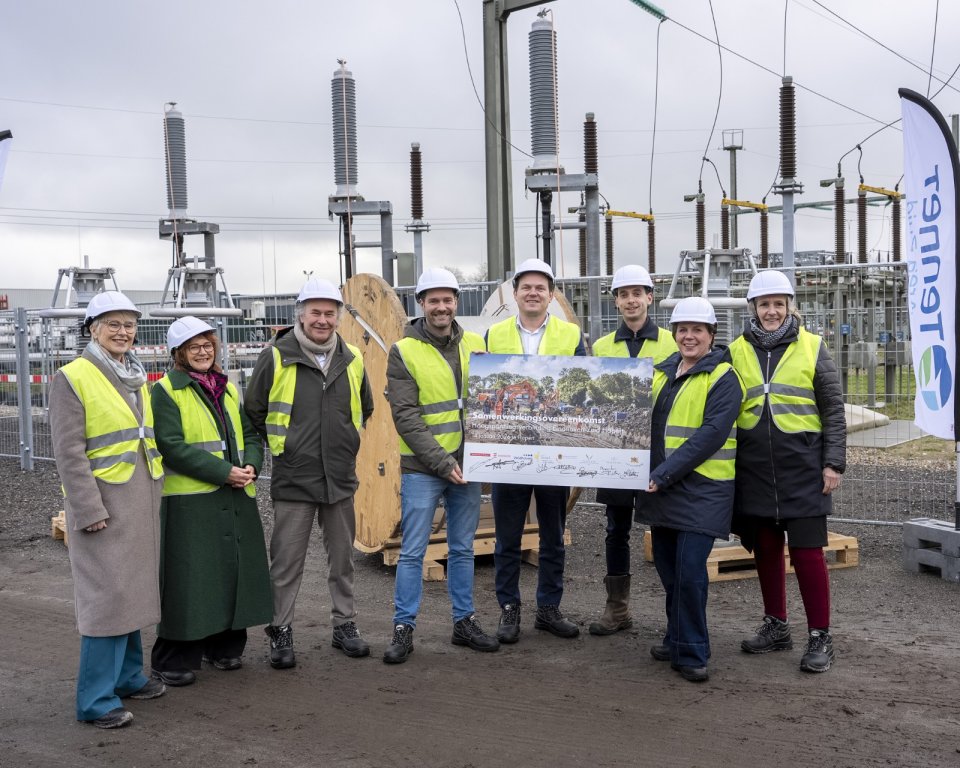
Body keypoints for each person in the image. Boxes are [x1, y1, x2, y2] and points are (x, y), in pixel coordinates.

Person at [49, 291, 166, 728]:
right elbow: (69, 453)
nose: (123, 332)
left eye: (129, 324)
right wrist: (86, 508)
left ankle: (129, 676)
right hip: (104, 504)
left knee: (132, 590)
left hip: (139, 498)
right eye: (113, 324)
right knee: (107, 598)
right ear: (92, 328)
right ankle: (95, 701)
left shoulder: (133, 374)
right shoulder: (72, 377)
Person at [245, 277, 374, 667]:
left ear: (338, 317)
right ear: (300, 315)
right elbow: (253, 413)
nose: (322, 320)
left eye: (329, 313)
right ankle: (280, 631)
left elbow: (363, 408)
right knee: (286, 562)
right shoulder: (276, 355)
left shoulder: (352, 358)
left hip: (339, 478)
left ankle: (344, 625)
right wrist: (286, 449)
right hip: (295, 478)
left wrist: (346, 443)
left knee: (343, 561)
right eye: (315, 312)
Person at [728, 270, 845, 673]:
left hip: (804, 466)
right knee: (765, 549)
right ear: (754, 309)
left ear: (790, 307)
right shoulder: (736, 349)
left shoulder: (813, 346)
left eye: (779, 304)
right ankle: (776, 624)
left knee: (808, 553)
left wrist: (834, 462)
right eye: (765, 304)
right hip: (755, 468)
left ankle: (820, 636)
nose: (772, 311)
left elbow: (832, 408)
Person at [382, 268, 499, 663]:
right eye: (433, 300)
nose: (441, 306)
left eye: (448, 299)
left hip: (468, 465)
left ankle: (464, 622)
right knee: (413, 551)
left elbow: (491, 403)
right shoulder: (403, 351)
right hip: (424, 467)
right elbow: (406, 416)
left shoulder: (476, 345)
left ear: (456, 302)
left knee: (462, 549)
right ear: (421, 304)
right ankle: (403, 627)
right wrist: (442, 462)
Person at [149, 317, 272, 686]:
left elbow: (250, 432)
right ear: (178, 354)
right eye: (193, 347)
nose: (203, 352)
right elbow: (171, 445)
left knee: (232, 571)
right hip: (192, 499)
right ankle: (172, 658)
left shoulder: (227, 387)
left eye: (207, 345)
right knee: (191, 579)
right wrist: (224, 472)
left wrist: (251, 463)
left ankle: (224, 647)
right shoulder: (165, 391)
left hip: (235, 492)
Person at [639, 296, 743, 683]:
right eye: (682, 329)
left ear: (711, 336)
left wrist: (662, 474)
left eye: (697, 330)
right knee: (669, 570)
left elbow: (710, 436)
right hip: (662, 486)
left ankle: (693, 650)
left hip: (703, 489)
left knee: (688, 570)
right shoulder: (662, 373)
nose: (688, 336)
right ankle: (675, 635)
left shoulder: (724, 378)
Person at [485, 257, 587, 643]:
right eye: (525, 287)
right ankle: (509, 609)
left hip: (554, 451)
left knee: (552, 534)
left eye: (540, 287)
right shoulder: (492, 336)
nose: (532, 293)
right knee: (507, 537)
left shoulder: (571, 335)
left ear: (551, 295)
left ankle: (548, 608)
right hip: (508, 449)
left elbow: (581, 387)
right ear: (515, 294)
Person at [588, 264, 677, 636]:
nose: (630, 300)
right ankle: (618, 608)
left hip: (659, 449)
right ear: (616, 301)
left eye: (637, 293)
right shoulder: (602, 346)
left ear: (649, 297)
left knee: (664, 530)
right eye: (623, 294)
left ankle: (676, 612)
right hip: (617, 450)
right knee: (616, 529)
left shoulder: (673, 342)